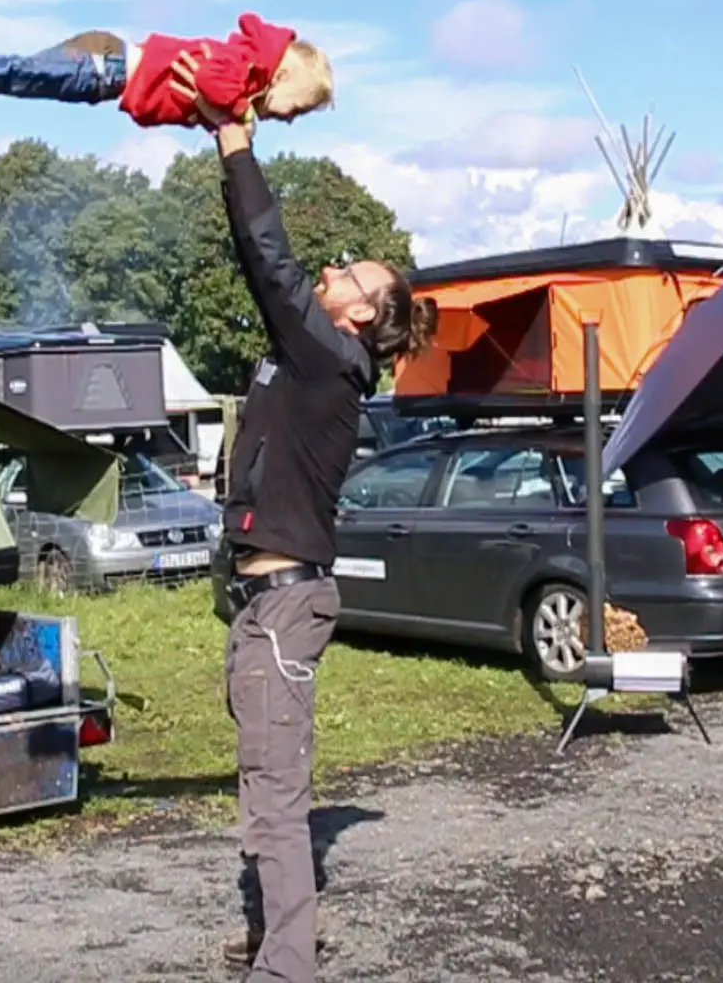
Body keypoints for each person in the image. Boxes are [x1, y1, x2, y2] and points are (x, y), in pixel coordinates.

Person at [179, 51, 434, 982]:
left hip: (285, 605)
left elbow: (269, 256)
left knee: (276, 796)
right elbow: (274, 273)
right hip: (261, 602)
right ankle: (277, 933)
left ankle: (288, 968)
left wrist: (235, 136)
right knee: (265, 783)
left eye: (349, 274)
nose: (331, 270)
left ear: (364, 316)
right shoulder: (308, 353)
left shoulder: (332, 357)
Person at [0, 12, 333, 131]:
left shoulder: (243, 73)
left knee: (12, 80)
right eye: (298, 110)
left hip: (101, 72)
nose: (289, 120)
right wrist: (241, 116)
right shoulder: (243, 64)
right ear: (283, 77)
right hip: (101, 67)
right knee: (12, 74)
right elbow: (211, 85)